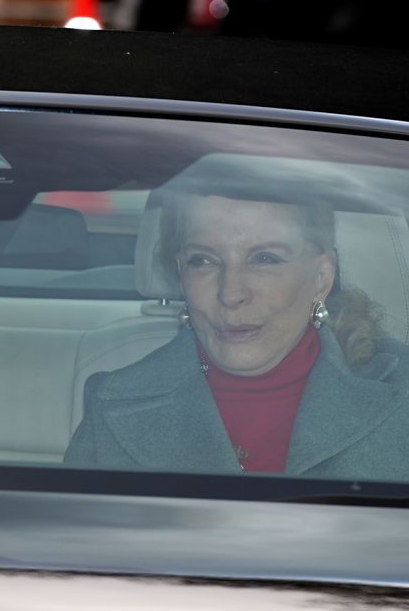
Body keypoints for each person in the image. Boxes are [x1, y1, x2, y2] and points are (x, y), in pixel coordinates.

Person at [64, 176, 409, 479]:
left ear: (321, 278)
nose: (231, 293)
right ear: (181, 276)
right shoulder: (113, 404)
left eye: (265, 258)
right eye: (203, 260)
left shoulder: (401, 395)